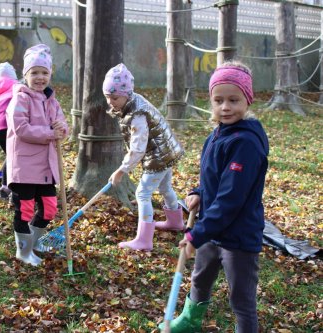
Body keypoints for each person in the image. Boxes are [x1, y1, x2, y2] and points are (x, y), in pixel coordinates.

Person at [161, 61, 269, 332]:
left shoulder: (245, 143)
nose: (225, 107)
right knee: (199, 279)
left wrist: (196, 234)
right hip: (211, 228)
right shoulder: (216, 135)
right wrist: (198, 192)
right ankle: (189, 321)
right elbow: (215, 179)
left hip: (238, 237)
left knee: (240, 298)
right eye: (218, 100)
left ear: (248, 99)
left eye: (234, 100)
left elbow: (231, 198)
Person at [103, 63, 185, 251]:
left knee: (142, 193)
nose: (110, 102)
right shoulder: (133, 101)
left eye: (114, 97)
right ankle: (175, 222)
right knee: (165, 187)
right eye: (107, 97)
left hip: (158, 155)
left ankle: (144, 240)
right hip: (166, 150)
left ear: (126, 94)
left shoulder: (137, 114)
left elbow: (137, 149)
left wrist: (122, 170)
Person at [6, 44, 68, 266]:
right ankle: (23, 251)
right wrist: (50, 133)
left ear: (50, 74)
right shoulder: (20, 99)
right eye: (34, 73)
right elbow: (21, 128)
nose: (40, 77)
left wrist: (61, 129)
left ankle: (34, 242)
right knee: (25, 209)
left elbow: (62, 126)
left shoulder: (51, 100)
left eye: (44, 72)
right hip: (24, 167)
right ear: (25, 75)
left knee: (50, 207)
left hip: (46, 166)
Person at [0, 62, 18, 198]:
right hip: (8, 125)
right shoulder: (17, 86)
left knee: (10, 154)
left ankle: (5, 180)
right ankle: (6, 188)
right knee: (13, 155)